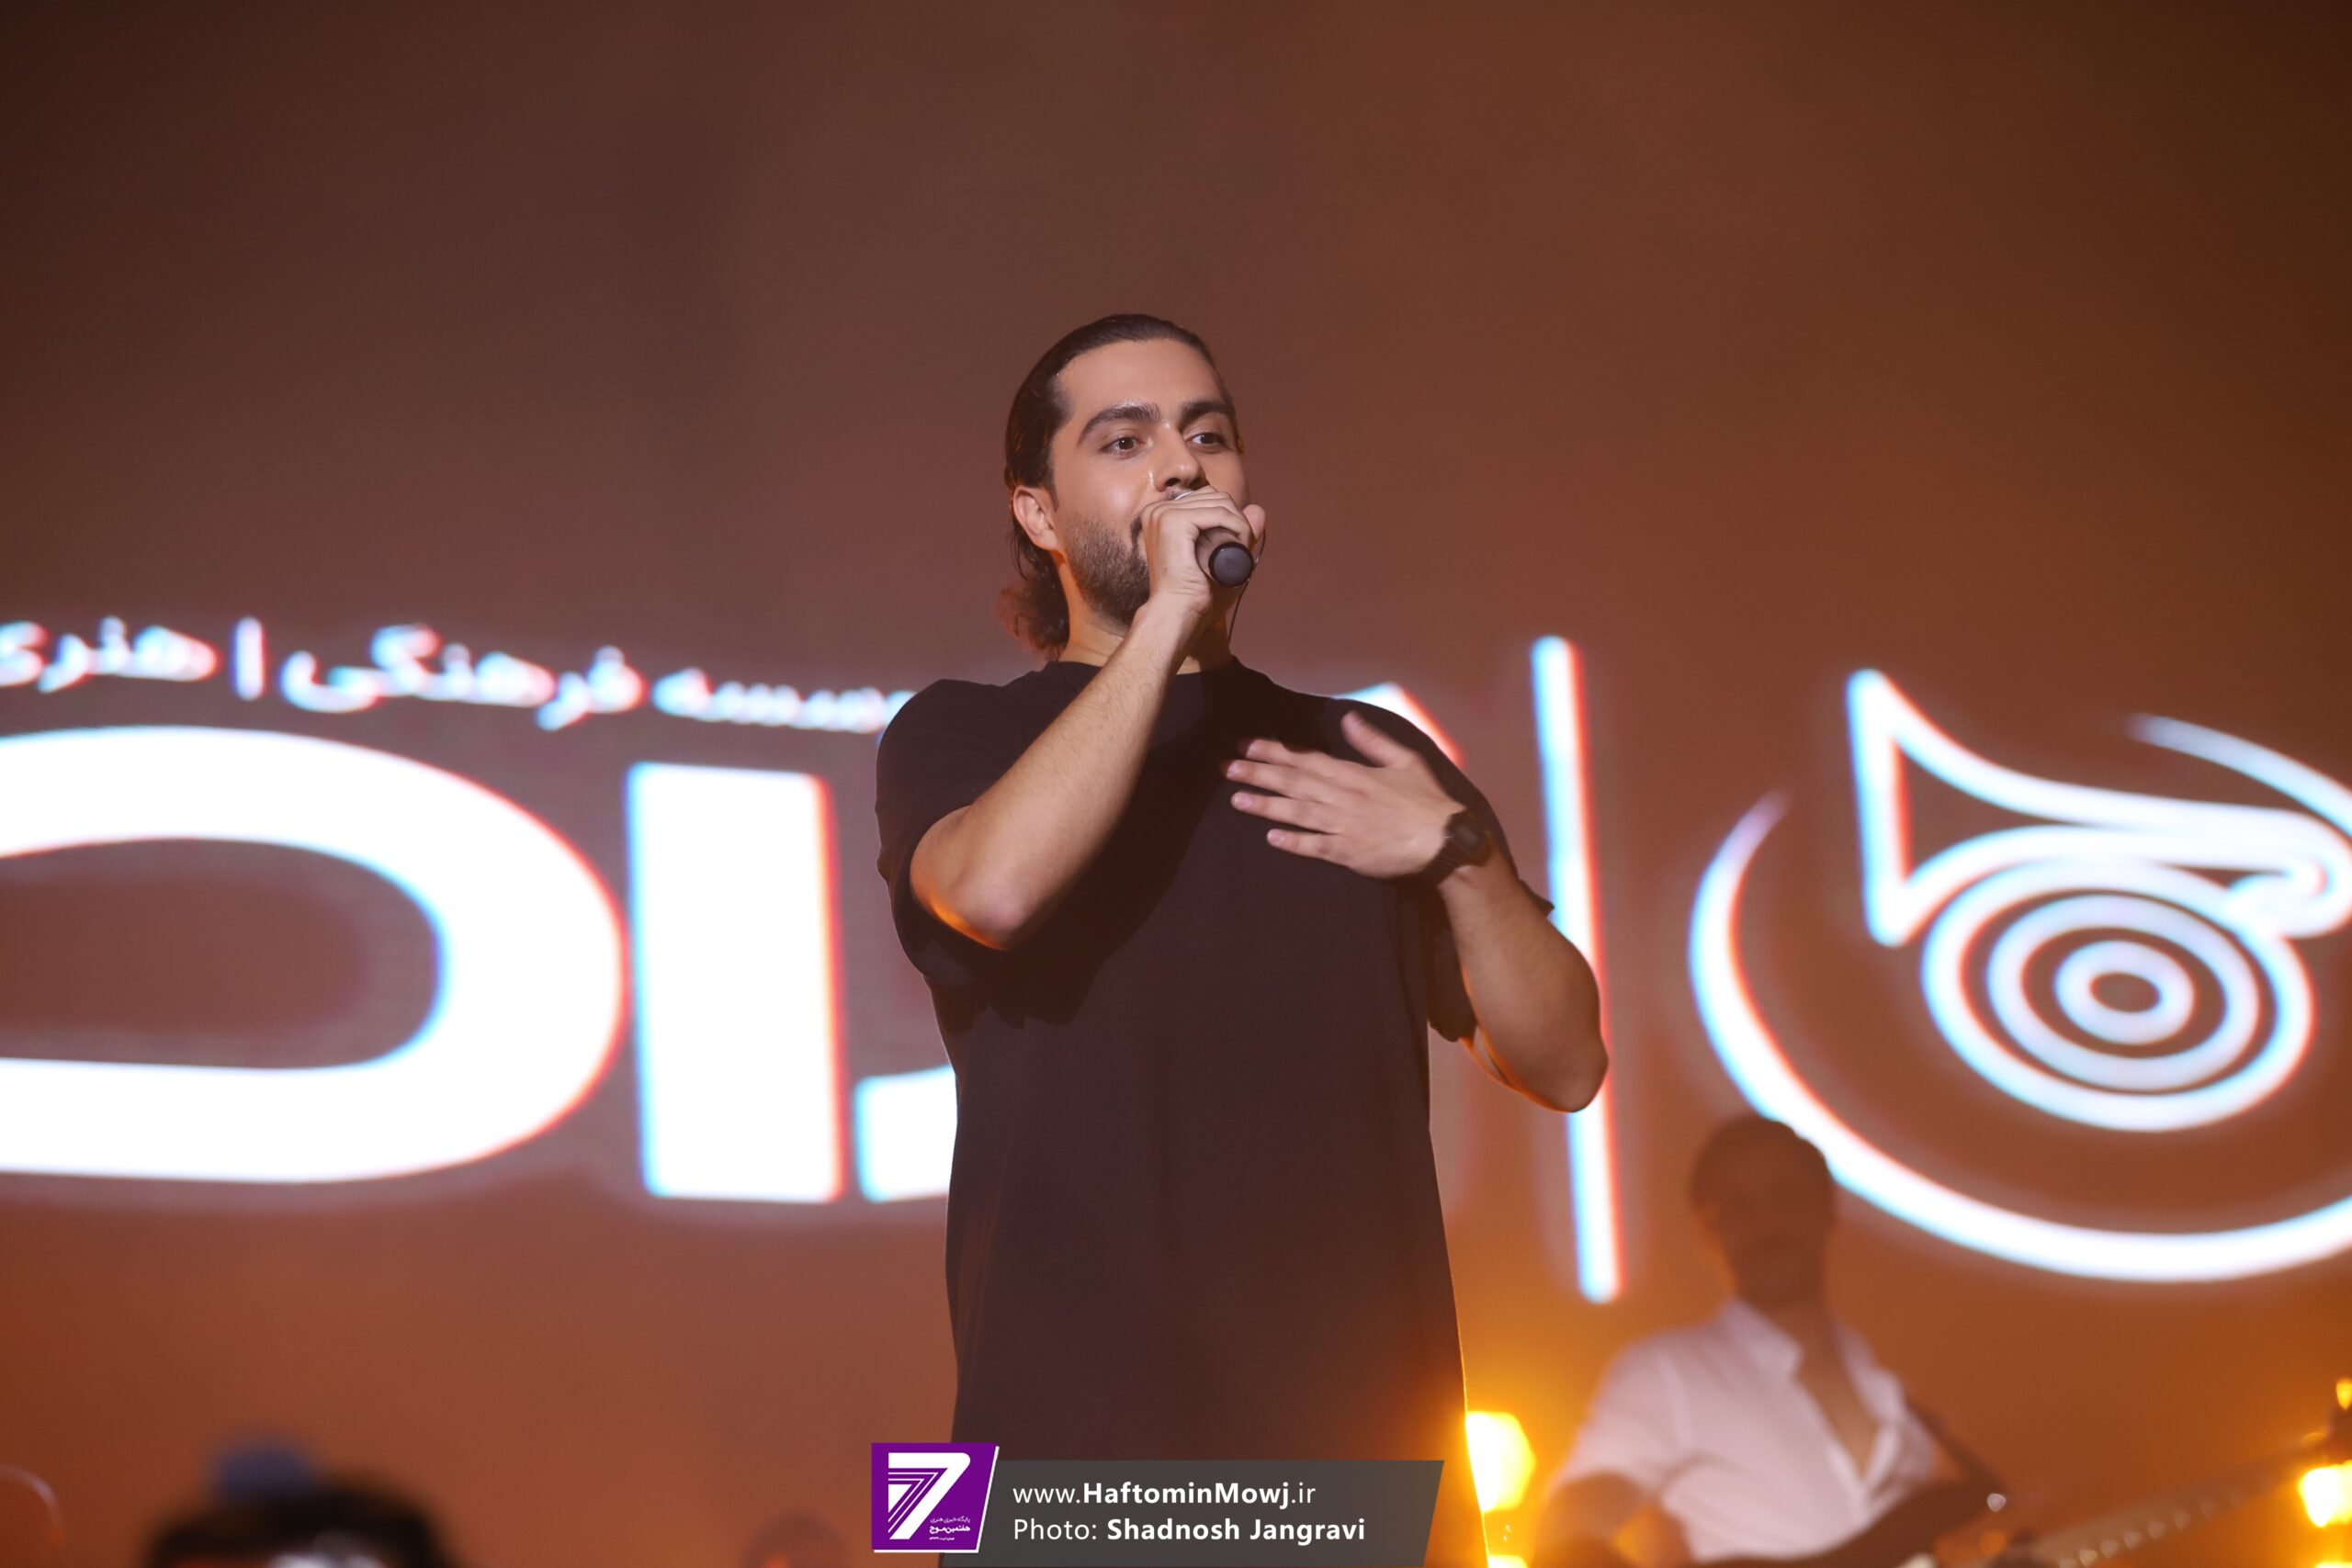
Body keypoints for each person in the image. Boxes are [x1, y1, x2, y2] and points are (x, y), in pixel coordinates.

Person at [872, 311, 1608, 1566]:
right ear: (1038, 512)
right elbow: (990, 891)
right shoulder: (962, 733)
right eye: (1126, 441)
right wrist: (1170, 617)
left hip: (1355, 1484)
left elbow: (1567, 1062)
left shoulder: (1360, 749)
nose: (1182, 465)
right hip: (1065, 1487)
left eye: (1207, 434)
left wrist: (1466, 857)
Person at [1532, 1117, 1987, 1568]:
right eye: (1738, 1209)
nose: (1767, 1224)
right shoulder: (1666, 1372)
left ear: (1828, 1211)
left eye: (1786, 1198)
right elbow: (1569, 1531)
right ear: (1706, 1230)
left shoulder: (1897, 1389)